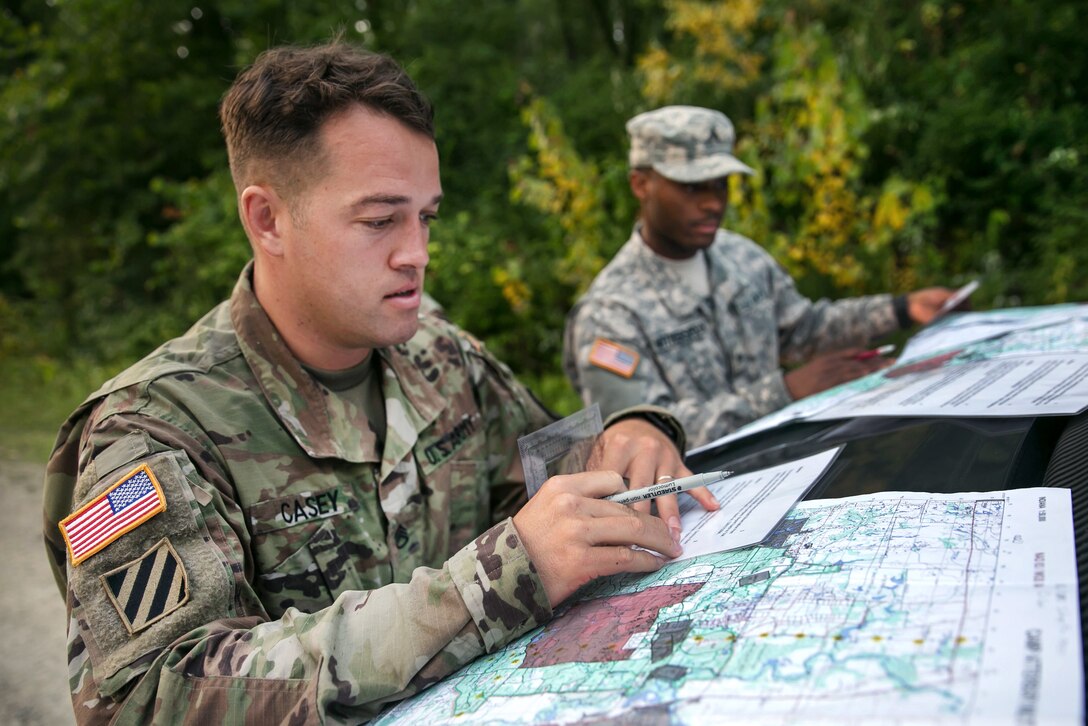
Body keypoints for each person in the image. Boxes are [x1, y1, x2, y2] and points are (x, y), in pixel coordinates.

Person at [42, 44, 717, 724]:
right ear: (267, 219)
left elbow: (542, 480)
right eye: (379, 220)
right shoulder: (152, 430)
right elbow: (150, 695)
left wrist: (633, 431)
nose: (417, 252)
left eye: (426, 216)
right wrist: (490, 583)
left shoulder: (438, 353)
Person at [563, 105, 959, 448]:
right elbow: (640, 439)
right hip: (705, 516)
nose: (713, 202)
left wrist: (902, 309)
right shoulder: (608, 313)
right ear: (641, 184)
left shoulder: (741, 257)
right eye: (690, 187)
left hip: (798, 464)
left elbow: (805, 329)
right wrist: (785, 392)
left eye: (721, 184)